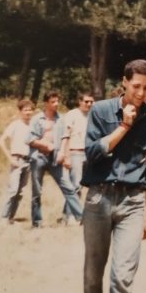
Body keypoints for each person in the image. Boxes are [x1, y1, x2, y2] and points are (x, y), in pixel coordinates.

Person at [81, 59, 146, 293]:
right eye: (136, 86)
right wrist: (124, 126)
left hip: (133, 203)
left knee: (123, 276)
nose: (141, 93)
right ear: (124, 82)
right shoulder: (101, 111)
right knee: (93, 273)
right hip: (99, 198)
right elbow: (92, 153)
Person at [27, 90, 83, 228]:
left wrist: (63, 153)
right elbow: (30, 139)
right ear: (46, 103)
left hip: (55, 158)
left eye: (57, 101)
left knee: (68, 187)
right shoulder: (37, 119)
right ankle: (37, 222)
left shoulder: (61, 119)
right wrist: (44, 144)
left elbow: (65, 137)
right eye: (53, 102)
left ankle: (81, 217)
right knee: (37, 191)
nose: (56, 104)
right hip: (39, 157)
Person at [57, 92, 95, 224]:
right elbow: (66, 136)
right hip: (75, 152)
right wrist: (66, 155)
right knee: (75, 186)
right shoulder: (72, 114)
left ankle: (65, 215)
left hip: (88, 153)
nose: (89, 104)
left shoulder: (92, 115)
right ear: (80, 101)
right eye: (86, 101)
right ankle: (71, 217)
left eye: (91, 102)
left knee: (80, 186)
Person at [0, 98, 35, 224]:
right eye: (25, 110)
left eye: (30, 110)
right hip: (17, 159)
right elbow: (1, 141)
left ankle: (11, 217)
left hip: (28, 161)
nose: (28, 112)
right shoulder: (15, 125)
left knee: (20, 192)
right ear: (20, 111)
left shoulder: (33, 126)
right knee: (13, 190)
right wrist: (10, 158)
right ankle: (3, 217)